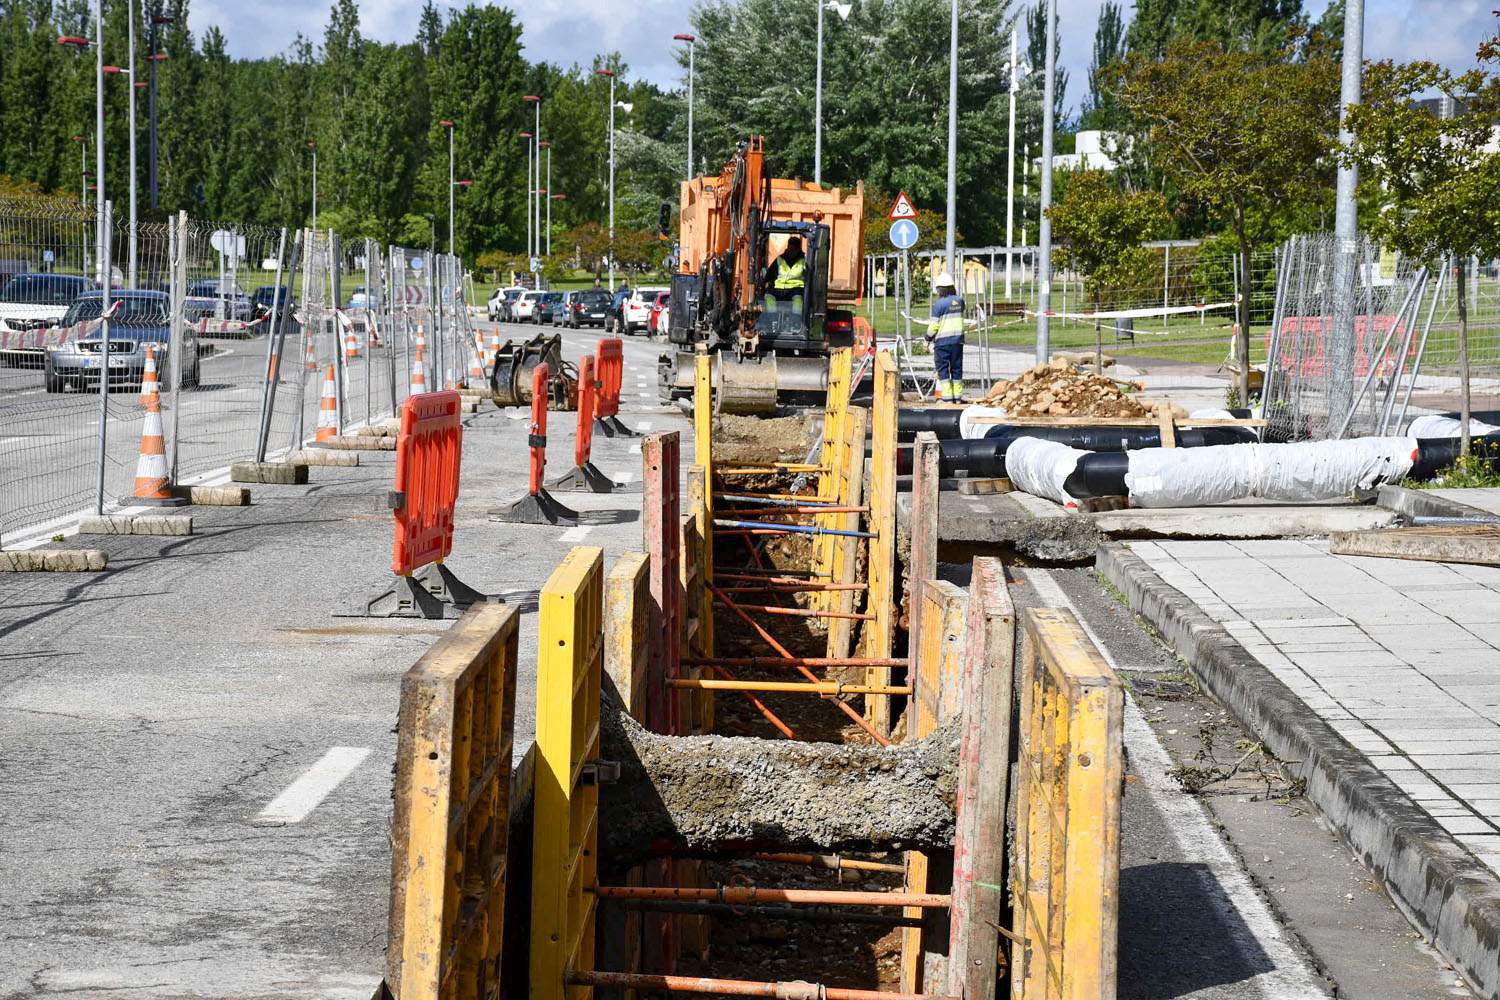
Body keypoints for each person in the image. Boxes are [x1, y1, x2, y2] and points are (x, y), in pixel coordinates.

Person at [925, 271, 966, 402]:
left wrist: (927, 338)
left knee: (943, 369)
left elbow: (934, 326)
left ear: (941, 289)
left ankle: (947, 398)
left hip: (942, 343)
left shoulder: (939, 305)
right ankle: (957, 397)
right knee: (957, 369)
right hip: (958, 342)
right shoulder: (960, 301)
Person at [763, 236, 806, 332]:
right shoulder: (780, 259)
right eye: (791, 248)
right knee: (769, 296)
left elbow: (809, 275)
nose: (792, 251)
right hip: (779, 288)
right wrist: (765, 282)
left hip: (795, 288)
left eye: (794, 249)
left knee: (798, 300)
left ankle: (795, 324)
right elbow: (770, 273)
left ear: (798, 249)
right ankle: (773, 321)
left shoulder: (803, 261)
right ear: (788, 247)